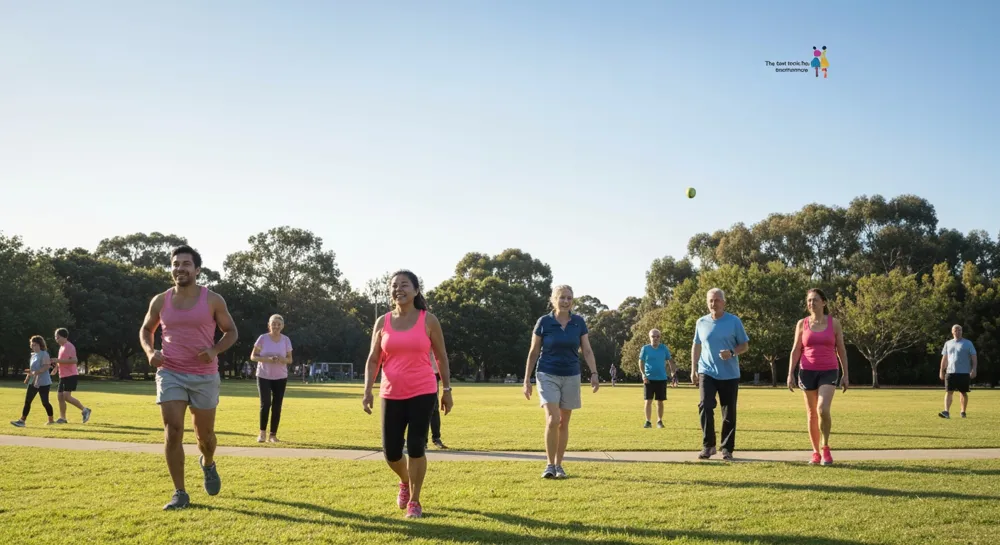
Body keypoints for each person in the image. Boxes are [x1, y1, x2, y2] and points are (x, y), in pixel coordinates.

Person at [140, 245, 238, 510]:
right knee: (173, 431)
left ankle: (208, 463)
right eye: (175, 264)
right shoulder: (161, 300)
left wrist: (215, 349)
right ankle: (180, 493)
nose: (179, 269)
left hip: (204, 376)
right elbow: (146, 329)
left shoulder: (213, 300)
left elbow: (231, 332)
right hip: (170, 372)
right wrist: (150, 351)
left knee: (205, 437)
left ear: (197, 270)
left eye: (185, 264)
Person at [362, 270, 453, 519]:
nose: (398, 289)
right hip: (391, 393)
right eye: (394, 285)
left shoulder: (428, 320)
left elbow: (441, 357)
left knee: (415, 446)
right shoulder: (382, 322)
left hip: (423, 391)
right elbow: (373, 360)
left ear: (415, 290)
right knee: (391, 452)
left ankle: (415, 500)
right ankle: (405, 481)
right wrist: (367, 390)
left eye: (404, 285)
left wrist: (446, 390)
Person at [523, 285, 600, 479]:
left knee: (564, 421)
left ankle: (559, 465)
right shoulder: (544, 322)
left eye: (569, 298)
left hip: (571, 375)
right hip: (547, 374)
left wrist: (594, 373)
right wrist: (526, 380)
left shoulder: (579, 322)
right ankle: (549, 465)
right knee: (553, 419)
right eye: (562, 298)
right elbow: (533, 353)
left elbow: (588, 350)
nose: (566, 301)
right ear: (554, 300)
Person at [787, 288, 849, 465]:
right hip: (807, 371)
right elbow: (796, 349)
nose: (811, 303)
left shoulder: (834, 323)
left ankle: (826, 447)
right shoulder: (802, 324)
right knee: (812, 414)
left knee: (822, 409)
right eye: (808, 301)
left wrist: (846, 374)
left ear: (824, 303)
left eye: (815, 300)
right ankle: (815, 452)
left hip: (829, 370)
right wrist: (790, 373)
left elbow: (842, 350)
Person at [691, 288, 749, 461]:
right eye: (710, 300)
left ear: (723, 302)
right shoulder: (701, 322)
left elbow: (745, 345)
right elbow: (697, 345)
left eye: (716, 300)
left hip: (729, 374)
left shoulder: (734, 321)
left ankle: (727, 449)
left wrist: (731, 352)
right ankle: (708, 446)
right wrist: (693, 368)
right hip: (706, 371)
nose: (713, 303)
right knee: (705, 405)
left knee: (728, 412)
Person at [250, 314, 293, 443]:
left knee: (277, 405)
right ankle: (262, 433)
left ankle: (273, 435)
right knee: (266, 403)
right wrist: (267, 359)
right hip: (264, 375)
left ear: (283, 326)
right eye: (273, 323)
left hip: (280, 376)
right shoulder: (262, 339)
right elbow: (253, 356)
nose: (276, 326)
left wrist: (281, 359)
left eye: (279, 324)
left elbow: (290, 359)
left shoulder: (286, 340)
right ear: (269, 325)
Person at [10, 336, 56, 428]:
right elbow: (32, 369)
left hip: (43, 382)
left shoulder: (44, 354)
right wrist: (28, 377)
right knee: (27, 401)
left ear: (40, 345)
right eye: (32, 345)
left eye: (35, 345)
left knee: (45, 402)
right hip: (33, 382)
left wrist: (36, 372)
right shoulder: (33, 355)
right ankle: (22, 421)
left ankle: (51, 420)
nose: (33, 347)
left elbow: (46, 366)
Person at [51, 328, 92, 424]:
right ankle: (63, 418)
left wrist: (58, 361)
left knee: (66, 396)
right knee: (60, 396)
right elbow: (61, 361)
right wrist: (56, 368)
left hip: (71, 375)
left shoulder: (69, 346)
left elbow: (74, 360)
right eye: (55, 337)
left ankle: (85, 410)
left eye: (58, 337)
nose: (56, 339)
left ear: (64, 337)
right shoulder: (61, 347)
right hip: (63, 375)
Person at [640, 329, 678, 429]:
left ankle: (659, 421)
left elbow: (670, 360)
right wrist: (643, 374)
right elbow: (641, 362)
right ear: (649, 337)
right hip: (649, 379)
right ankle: (648, 421)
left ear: (660, 337)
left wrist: (673, 372)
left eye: (657, 336)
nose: (655, 338)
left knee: (660, 401)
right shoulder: (645, 349)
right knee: (648, 400)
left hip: (661, 378)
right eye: (653, 336)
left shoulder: (664, 348)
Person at [939, 325, 977, 419]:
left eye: (959, 330)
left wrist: (974, 369)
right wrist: (941, 370)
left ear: (962, 331)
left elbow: (974, 357)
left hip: (964, 372)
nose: (958, 332)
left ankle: (963, 411)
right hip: (950, 372)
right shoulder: (948, 343)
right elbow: (944, 358)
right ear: (952, 332)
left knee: (963, 392)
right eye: (955, 330)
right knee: (949, 392)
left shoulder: (968, 343)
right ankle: (946, 412)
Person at [427, 349, 448, 449]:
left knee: (434, 408)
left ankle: (436, 438)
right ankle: (422, 440)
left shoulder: (435, 336)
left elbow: (441, 357)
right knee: (420, 408)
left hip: (433, 374)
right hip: (419, 373)